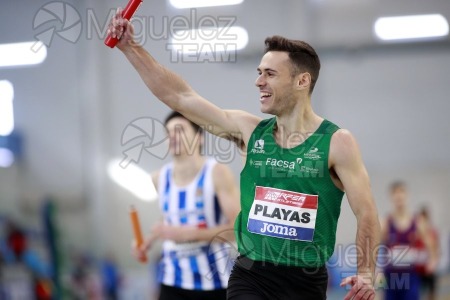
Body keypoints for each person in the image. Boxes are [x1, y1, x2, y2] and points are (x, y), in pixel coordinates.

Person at [109, 9, 380, 300]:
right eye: (259, 73)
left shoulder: (338, 143)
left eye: (270, 74)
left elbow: (366, 211)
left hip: (306, 280)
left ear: (302, 81)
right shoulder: (249, 131)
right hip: (251, 274)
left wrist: (366, 272)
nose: (259, 82)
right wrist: (131, 48)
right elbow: (181, 97)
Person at [133, 111, 240, 300]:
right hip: (172, 280)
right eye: (168, 133)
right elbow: (171, 217)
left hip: (214, 283)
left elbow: (238, 229)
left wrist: (189, 235)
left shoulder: (217, 173)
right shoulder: (158, 177)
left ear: (199, 138)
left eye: (180, 130)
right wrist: (147, 241)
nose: (172, 136)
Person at [381, 181, 438, 300]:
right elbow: (374, 247)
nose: (399, 196)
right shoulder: (386, 222)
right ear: (391, 197)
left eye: (401, 192)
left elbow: (431, 243)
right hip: (391, 277)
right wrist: (376, 271)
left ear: (407, 195)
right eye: (395, 193)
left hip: (411, 276)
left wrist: (432, 261)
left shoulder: (417, 221)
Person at [416, 206, 440, 300]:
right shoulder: (415, 235)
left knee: (431, 294)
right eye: (420, 221)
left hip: (429, 271)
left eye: (424, 220)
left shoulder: (432, 233)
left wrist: (433, 263)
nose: (422, 223)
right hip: (418, 271)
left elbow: (436, 251)